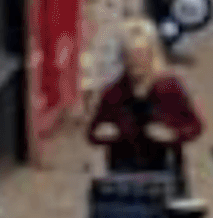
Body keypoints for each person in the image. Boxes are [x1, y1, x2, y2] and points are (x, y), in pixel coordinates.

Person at [86, 18, 205, 182]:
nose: (135, 62)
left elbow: (195, 126)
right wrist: (103, 133)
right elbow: (93, 132)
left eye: (140, 55)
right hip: (123, 172)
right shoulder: (114, 92)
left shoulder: (170, 88)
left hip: (165, 170)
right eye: (129, 56)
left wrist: (172, 135)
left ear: (152, 55)